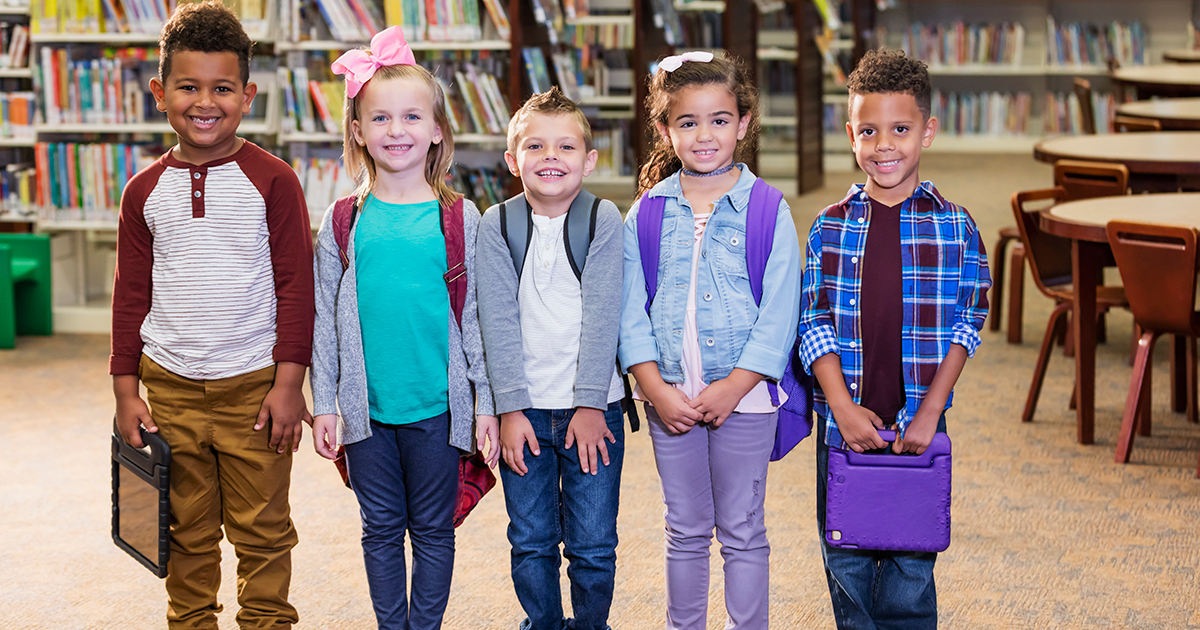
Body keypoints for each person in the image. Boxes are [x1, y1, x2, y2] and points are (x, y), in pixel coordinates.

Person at [110, 2, 314, 628]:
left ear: (248, 95)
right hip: (168, 387)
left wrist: (288, 385)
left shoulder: (273, 180)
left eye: (223, 88)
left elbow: (296, 289)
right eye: (188, 86)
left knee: (263, 533)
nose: (206, 101)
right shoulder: (143, 191)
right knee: (184, 532)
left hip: (254, 389)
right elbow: (129, 297)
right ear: (159, 92)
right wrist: (125, 392)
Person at [308, 26, 495, 630]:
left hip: (439, 409)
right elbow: (324, 325)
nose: (397, 131)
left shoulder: (461, 217)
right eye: (380, 118)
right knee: (380, 528)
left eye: (412, 116)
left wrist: (486, 405)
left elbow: (479, 322)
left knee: (434, 530)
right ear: (357, 130)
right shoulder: (341, 221)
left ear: (437, 128)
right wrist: (327, 403)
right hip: (367, 409)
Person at [797, 49, 991, 630]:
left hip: (918, 425)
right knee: (847, 562)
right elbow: (812, 321)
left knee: (910, 567)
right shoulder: (829, 224)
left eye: (901, 129)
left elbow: (968, 317)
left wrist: (932, 409)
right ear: (851, 134)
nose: (886, 145)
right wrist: (840, 407)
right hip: (844, 424)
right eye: (870, 130)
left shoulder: (954, 224)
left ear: (927, 132)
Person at [618, 52, 801, 630]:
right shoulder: (645, 213)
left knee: (743, 527)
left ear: (743, 124)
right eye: (688, 122)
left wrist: (734, 387)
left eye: (719, 120)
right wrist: (653, 387)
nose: (704, 135)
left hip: (743, 402)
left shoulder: (769, 209)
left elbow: (779, 314)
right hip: (668, 398)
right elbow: (629, 314)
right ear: (665, 130)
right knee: (686, 527)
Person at [476, 86, 627, 630]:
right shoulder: (494, 224)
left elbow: (605, 317)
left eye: (565, 148)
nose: (550, 158)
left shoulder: (603, 218)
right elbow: (496, 323)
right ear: (513, 161)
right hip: (527, 412)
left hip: (595, 411)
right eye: (535, 147)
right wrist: (509, 409)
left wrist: (589, 405)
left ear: (589, 160)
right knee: (531, 539)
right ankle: (542, 624)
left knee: (592, 543)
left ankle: (591, 625)